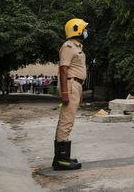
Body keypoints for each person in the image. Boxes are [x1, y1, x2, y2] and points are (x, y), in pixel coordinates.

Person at [52, 18, 88, 171]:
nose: (86, 31)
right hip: (71, 84)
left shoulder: (77, 47)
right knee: (66, 120)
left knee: (69, 119)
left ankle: (62, 157)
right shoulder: (68, 47)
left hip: (76, 85)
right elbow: (63, 69)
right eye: (84, 29)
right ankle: (61, 160)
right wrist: (65, 93)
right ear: (77, 30)